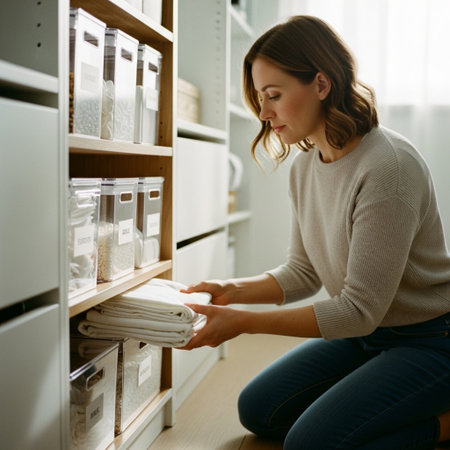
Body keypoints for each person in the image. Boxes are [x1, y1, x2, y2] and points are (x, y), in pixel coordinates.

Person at [179, 15, 450, 449]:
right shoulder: (306, 166)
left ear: (321, 85)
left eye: (273, 95)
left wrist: (243, 324)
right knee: (259, 409)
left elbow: (358, 309)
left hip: (432, 341)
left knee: (309, 444)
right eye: (259, 97)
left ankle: (442, 424)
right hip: (367, 337)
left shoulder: (389, 168)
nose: (264, 113)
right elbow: (303, 272)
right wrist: (229, 290)